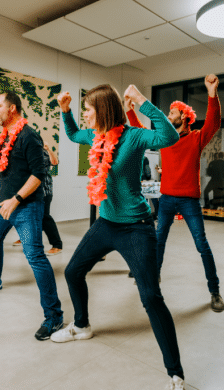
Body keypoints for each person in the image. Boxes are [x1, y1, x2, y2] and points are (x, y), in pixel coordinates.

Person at [52, 85, 185, 390]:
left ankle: (175, 373)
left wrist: (142, 102)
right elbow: (72, 134)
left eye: (88, 109)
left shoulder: (134, 136)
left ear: (103, 110)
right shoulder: (94, 136)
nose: (86, 115)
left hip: (136, 226)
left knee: (150, 296)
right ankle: (82, 325)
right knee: (73, 272)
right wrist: (65, 110)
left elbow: (169, 137)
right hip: (106, 223)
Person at [0, 90, 63, 342]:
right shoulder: (4, 137)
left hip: (27, 206)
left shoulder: (29, 136)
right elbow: (1, 173)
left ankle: (54, 316)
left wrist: (16, 199)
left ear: (12, 108)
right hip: (3, 205)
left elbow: (39, 175)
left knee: (35, 256)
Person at [156, 75, 224, 312]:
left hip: (189, 201)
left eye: (172, 112)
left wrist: (212, 93)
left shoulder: (196, 138)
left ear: (183, 116)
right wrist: (131, 110)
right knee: (158, 241)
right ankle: (154, 279)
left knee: (202, 244)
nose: (168, 115)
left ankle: (214, 291)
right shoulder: (164, 139)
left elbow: (213, 123)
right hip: (166, 199)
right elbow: (141, 131)